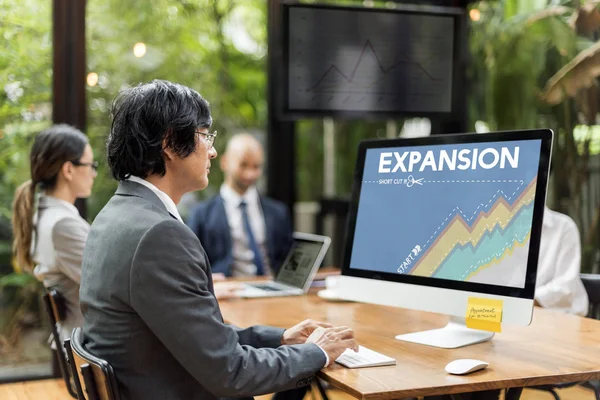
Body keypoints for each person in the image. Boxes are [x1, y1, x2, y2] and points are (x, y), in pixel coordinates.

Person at [79, 79, 357, 400]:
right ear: (170, 143)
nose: (212, 150)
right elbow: (230, 372)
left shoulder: (115, 215)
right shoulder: (159, 234)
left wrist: (280, 338)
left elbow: (199, 335)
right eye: (205, 135)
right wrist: (317, 353)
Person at [12, 124, 96, 344]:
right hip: (92, 346)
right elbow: (108, 286)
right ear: (68, 170)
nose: (94, 173)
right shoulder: (62, 225)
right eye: (90, 165)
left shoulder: (42, 217)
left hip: (78, 343)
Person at [187, 133, 293, 278]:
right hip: (227, 292)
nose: (250, 174)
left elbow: (288, 260)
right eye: (243, 165)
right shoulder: (201, 214)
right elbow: (191, 264)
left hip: (273, 289)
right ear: (224, 162)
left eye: (256, 167)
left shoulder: (278, 212)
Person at [535, 206, 589, 316]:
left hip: (559, 318)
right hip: (517, 316)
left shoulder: (564, 227)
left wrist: (521, 300)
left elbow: (564, 287)